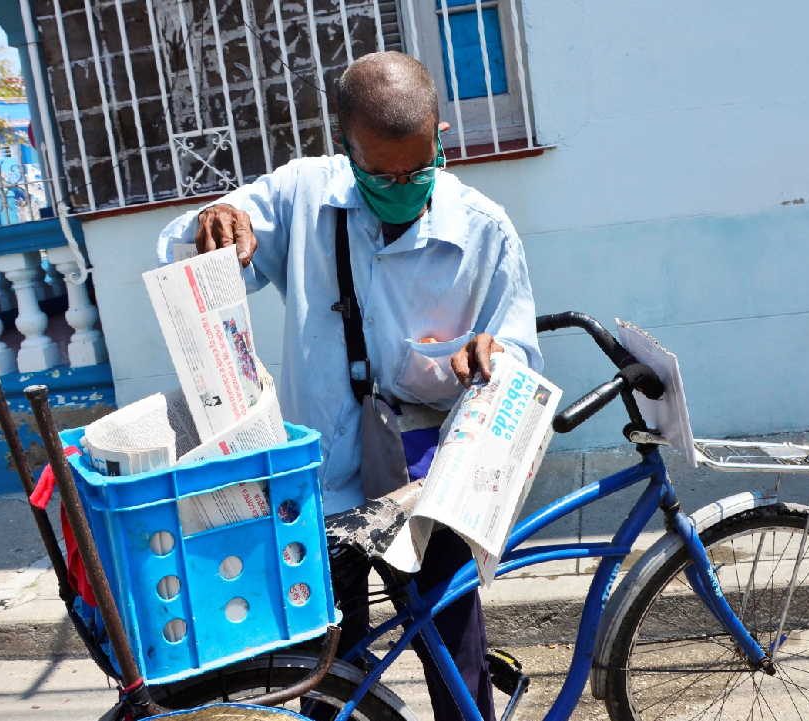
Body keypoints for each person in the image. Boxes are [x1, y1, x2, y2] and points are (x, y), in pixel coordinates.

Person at [157, 51, 541, 721]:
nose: (400, 183)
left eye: (417, 169)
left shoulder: (483, 231)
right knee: (328, 671)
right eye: (379, 172)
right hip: (315, 485)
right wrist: (208, 226)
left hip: (424, 485)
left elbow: (518, 354)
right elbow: (185, 252)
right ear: (347, 148)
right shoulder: (302, 194)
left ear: (440, 137)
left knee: (456, 656)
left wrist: (495, 354)